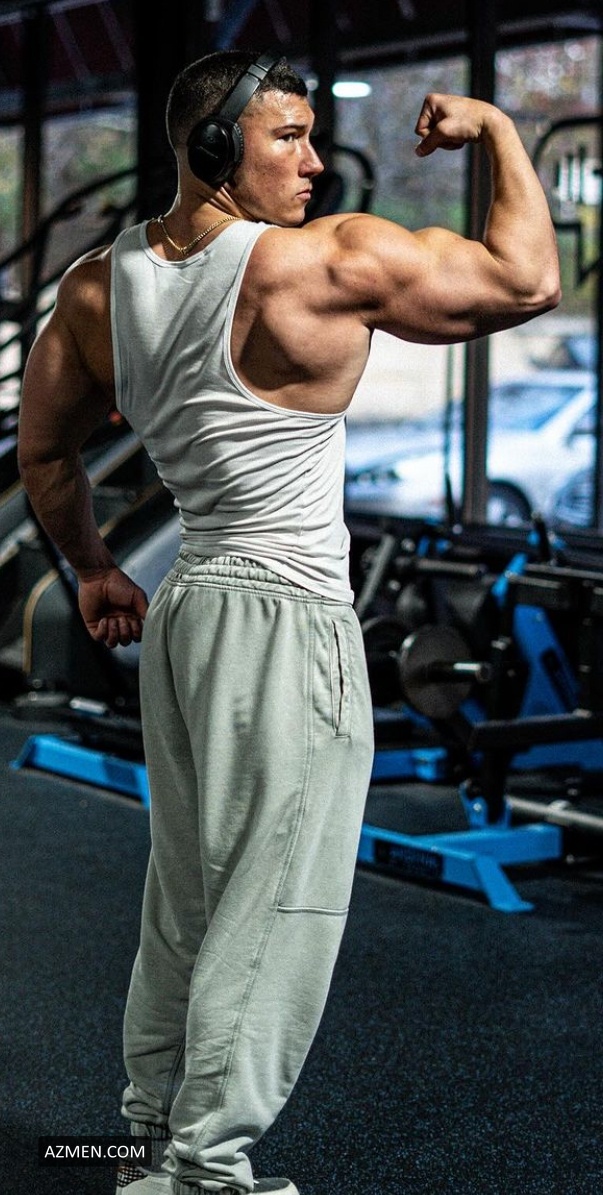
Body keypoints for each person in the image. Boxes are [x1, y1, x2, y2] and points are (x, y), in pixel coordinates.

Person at [18, 48, 560, 1195]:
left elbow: (45, 454)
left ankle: (148, 1139)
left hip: (188, 611)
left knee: (189, 895)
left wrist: (95, 570)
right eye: (289, 138)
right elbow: (527, 283)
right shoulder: (318, 264)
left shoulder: (97, 286)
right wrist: (499, 132)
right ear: (215, 149)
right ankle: (208, 1171)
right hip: (286, 616)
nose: (316, 162)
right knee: (280, 896)